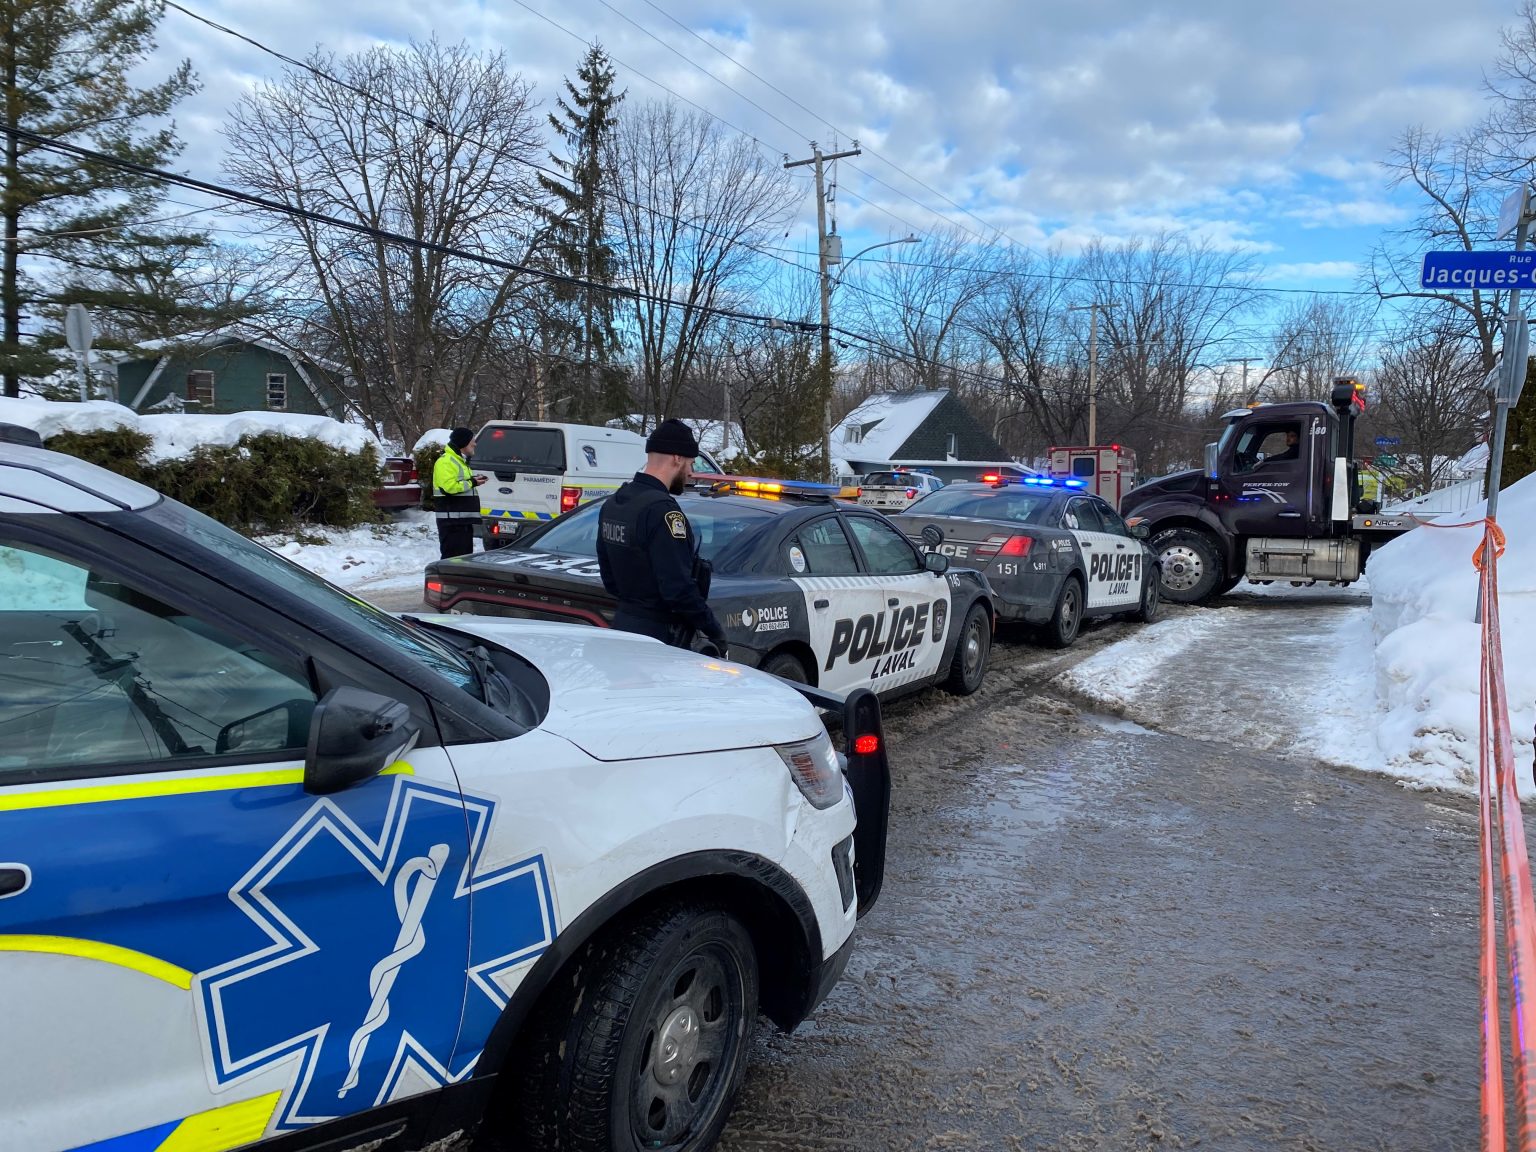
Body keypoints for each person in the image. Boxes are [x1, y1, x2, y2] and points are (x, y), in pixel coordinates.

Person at [597, 418, 728, 655]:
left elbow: (610, 578)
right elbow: (678, 589)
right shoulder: (663, 512)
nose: (691, 472)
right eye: (690, 463)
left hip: (623, 627)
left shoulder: (615, 503)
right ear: (677, 458)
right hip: (657, 639)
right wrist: (714, 630)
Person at [433, 426, 486, 560]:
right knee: (453, 561)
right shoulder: (446, 461)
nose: (474, 443)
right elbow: (449, 487)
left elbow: (459, 484)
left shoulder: (459, 461)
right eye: (472, 440)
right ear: (463, 442)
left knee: (462, 560)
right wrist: (472, 482)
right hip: (452, 523)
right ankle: (448, 581)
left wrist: (473, 480)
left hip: (461, 522)